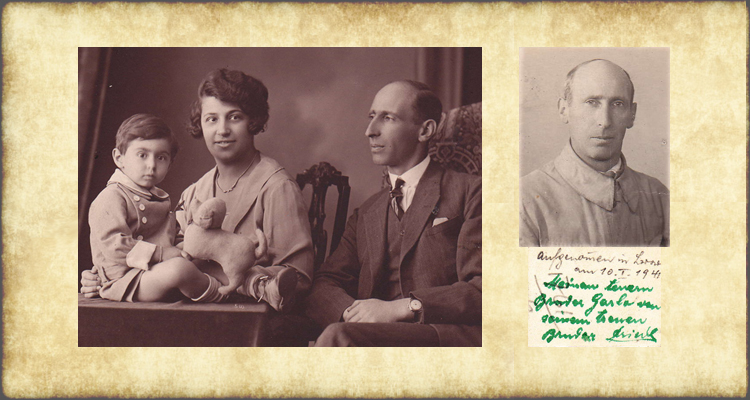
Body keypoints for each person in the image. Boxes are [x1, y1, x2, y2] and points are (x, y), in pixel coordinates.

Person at [82, 69, 314, 312]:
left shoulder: (277, 187)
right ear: (200, 124)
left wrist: (245, 279)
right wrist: (100, 275)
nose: (222, 130)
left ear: (253, 122)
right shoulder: (196, 190)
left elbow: (299, 279)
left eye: (234, 117)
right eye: (211, 119)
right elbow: (173, 253)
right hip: (193, 311)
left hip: (249, 319)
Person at [303, 80, 482, 347]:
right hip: (374, 337)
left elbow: (484, 288)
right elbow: (324, 283)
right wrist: (352, 313)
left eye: (388, 118)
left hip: (444, 335)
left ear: (425, 130)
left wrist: (400, 308)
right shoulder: (367, 212)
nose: (370, 131)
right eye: (371, 117)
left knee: (338, 337)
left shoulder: (471, 193)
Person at [520, 59, 669, 247]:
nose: (605, 121)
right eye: (592, 102)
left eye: (617, 104)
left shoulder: (658, 196)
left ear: (632, 114)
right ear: (564, 109)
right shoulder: (525, 198)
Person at [86, 114, 230, 303]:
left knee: (208, 260)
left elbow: (173, 235)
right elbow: (115, 246)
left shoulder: (160, 199)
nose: (152, 165)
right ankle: (220, 294)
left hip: (154, 271)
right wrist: (163, 254)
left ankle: (252, 285)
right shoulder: (111, 197)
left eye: (161, 157)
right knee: (179, 269)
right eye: (142, 155)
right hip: (127, 280)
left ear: (170, 164)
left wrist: (186, 248)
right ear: (119, 158)